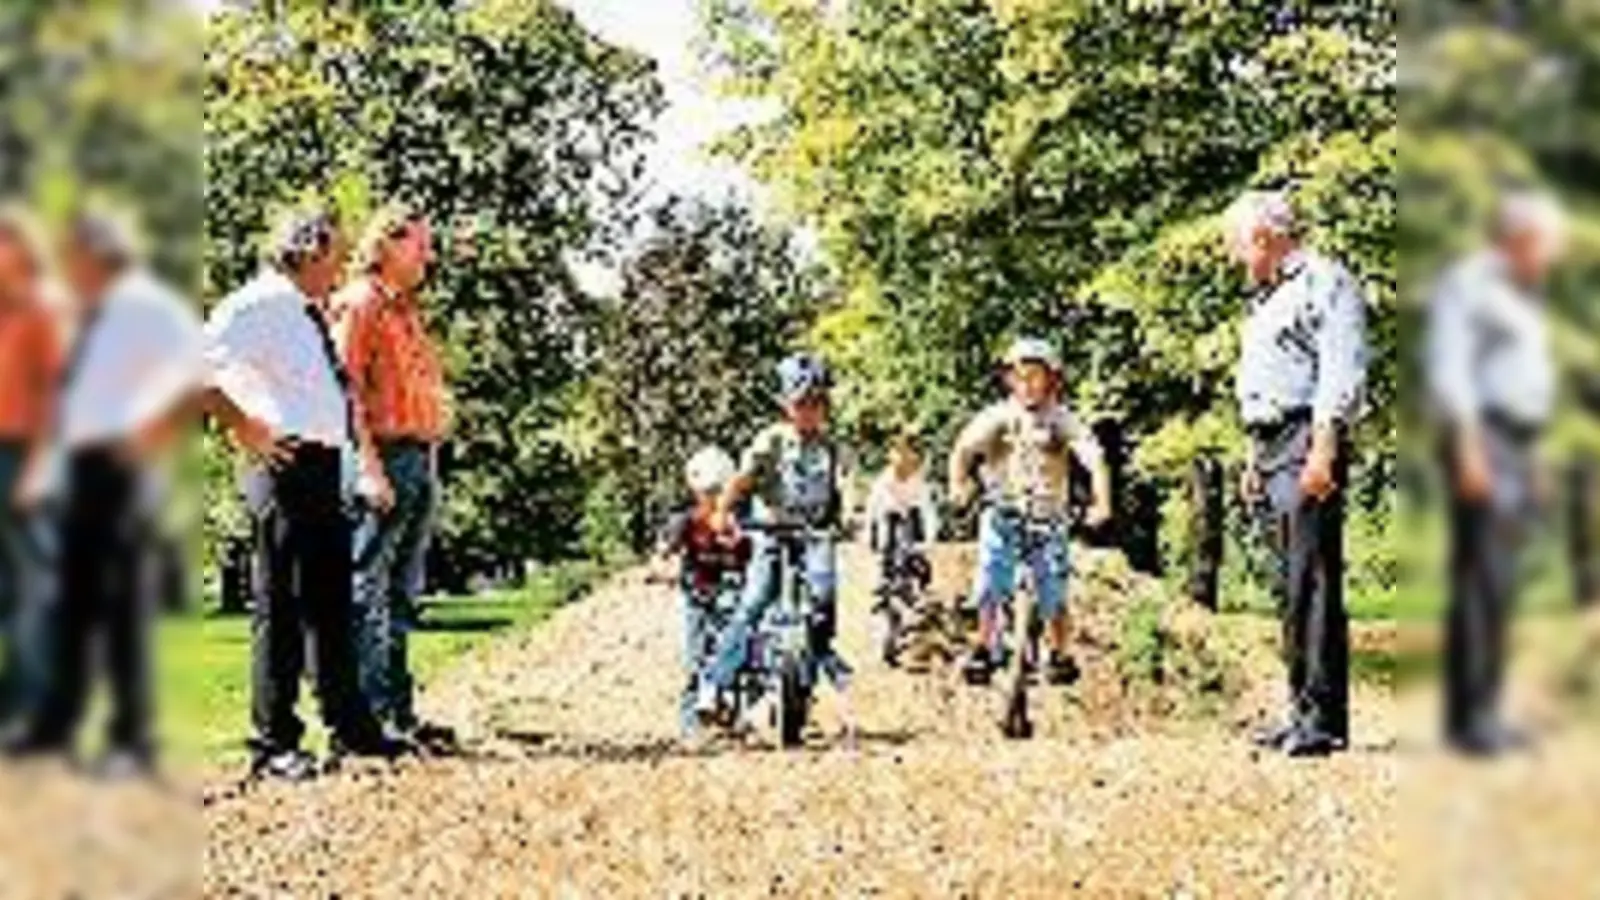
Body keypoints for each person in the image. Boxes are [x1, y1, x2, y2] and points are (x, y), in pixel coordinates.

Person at [4, 208, 206, 778]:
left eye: (75, 256)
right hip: (83, 469)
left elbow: (194, 366)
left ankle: (131, 740)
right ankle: (54, 728)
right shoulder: (96, 311)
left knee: (121, 606)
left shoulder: (144, 303)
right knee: (74, 603)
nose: (69, 267)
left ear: (98, 255)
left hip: (120, 469)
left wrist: (153, 430)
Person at [206, 205, 401, 781]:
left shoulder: (302, 310)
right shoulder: (259, 302)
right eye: (336, 257)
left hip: (320, 467)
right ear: (309, 251)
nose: (340, 269)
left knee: (330, 603)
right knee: (283, 606)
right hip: (284, 465)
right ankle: (273, 744)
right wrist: (243, 426)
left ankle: (352, 728)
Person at [1227, 189, 1368, 758]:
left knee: (1312, 580)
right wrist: (1251, 458)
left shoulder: (1325, 281)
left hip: (1308, 437)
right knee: (1289, 583)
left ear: (1263, 237)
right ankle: (1299, 710)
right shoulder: (1267, 297)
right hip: (1271, 444)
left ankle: (1323, 721)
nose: (1234, 257)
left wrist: (1323, 449)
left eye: (1236, 245)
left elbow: (1341, 369)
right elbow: (1264, 384)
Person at [1426, 190, 1563, 756]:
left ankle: (1483, 709)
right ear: (1518, 239)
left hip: (1517, 441)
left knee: (1500, 581)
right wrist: (1470, 450)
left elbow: (1527, 381)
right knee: (1481, 580)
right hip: (1482, 437)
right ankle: (1472, 719)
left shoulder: (1524, 295)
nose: (1549, 259)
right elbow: (1452, 370)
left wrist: (1534, 460)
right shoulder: (1471, 284)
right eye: (1545, 247)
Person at [331, 203, 455, 751]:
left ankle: (400, 716)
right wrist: (368, 468)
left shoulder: (405, 310)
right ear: (385, 245)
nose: (428, 253)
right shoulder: (358, 305)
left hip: (418, 458)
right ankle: (369, 722)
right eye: (418, 244)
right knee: (369, 590)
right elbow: (343, 391)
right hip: (383, 457)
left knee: (403, 594)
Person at [948, 338, 1112, 687]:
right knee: (990, 579)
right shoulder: (998, 416)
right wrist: (958, 485)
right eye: (1020, 377)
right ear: (1010, 380)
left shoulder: (1063, 420)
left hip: (1049, 516)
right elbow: (963, 449)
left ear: (1051, 380)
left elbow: (1093, 458)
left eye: (1035, 377)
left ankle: (1060, 652)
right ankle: (983, 645)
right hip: (1003, 512)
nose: (1027, 385)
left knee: (1054, 588)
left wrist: (1102, 502)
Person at [703, 353, 852, 729]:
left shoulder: (831, 446)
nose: (809, 411)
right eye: (801, 403)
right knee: (753, 601)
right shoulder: (771, 440)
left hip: (814, 533)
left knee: (823, 593)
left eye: (817, 403)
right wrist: (722, 511)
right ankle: (713, 685)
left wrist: (848, 519)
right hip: (769, 531)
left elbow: (843, 488)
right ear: (786, 406)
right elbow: (742, 479)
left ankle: (819, 655)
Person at [0, 206, 62, 731]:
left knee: (32, 587)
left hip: (22, 456)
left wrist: (38, 467)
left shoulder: (41, 312)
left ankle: (34, 711)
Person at [657, 445, 750, 738]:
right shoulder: (685, 521)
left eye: (718, 490)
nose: (711, 497)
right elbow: (664, 551)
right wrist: (663, 566)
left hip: (732, 593)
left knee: (738, 650)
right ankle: (690, 725)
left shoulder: (743, 521)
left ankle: (735, 711)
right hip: (697, 593)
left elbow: (760, 552)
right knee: (694, 658)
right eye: (706, 491)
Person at [865, 427, 938, 600]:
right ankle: (884, 576)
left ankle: (919, 579)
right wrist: (870, 534)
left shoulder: (919, 483)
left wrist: (929, 538)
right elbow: (872, 509)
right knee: (888, 536)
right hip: (891, 517)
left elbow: (928, 511)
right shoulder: (884, 481)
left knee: (914, 538)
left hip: (913, 518)